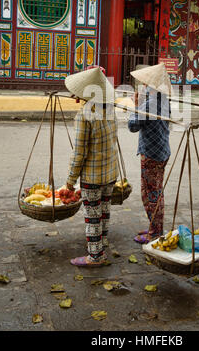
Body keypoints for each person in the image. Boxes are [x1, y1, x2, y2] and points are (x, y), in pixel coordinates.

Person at [64, 67, 118, 266]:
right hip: (110, 172)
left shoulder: (84, 116)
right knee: (104, 210)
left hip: (93, 177)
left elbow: (79, 152)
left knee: (92, 216)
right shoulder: (110, 109)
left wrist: (70, 180)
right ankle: (102, 242)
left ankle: (95, 256)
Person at [128, 63, 171, 244]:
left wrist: (135, 105)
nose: (143, 86)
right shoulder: (163, 99)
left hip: (152, 155)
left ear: (151, 86)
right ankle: (156, 227)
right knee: (156, 192)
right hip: (162, 151)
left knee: (150, 195)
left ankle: (155, 233)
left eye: (145, 84)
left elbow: (133, 126)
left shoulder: (150, 103)